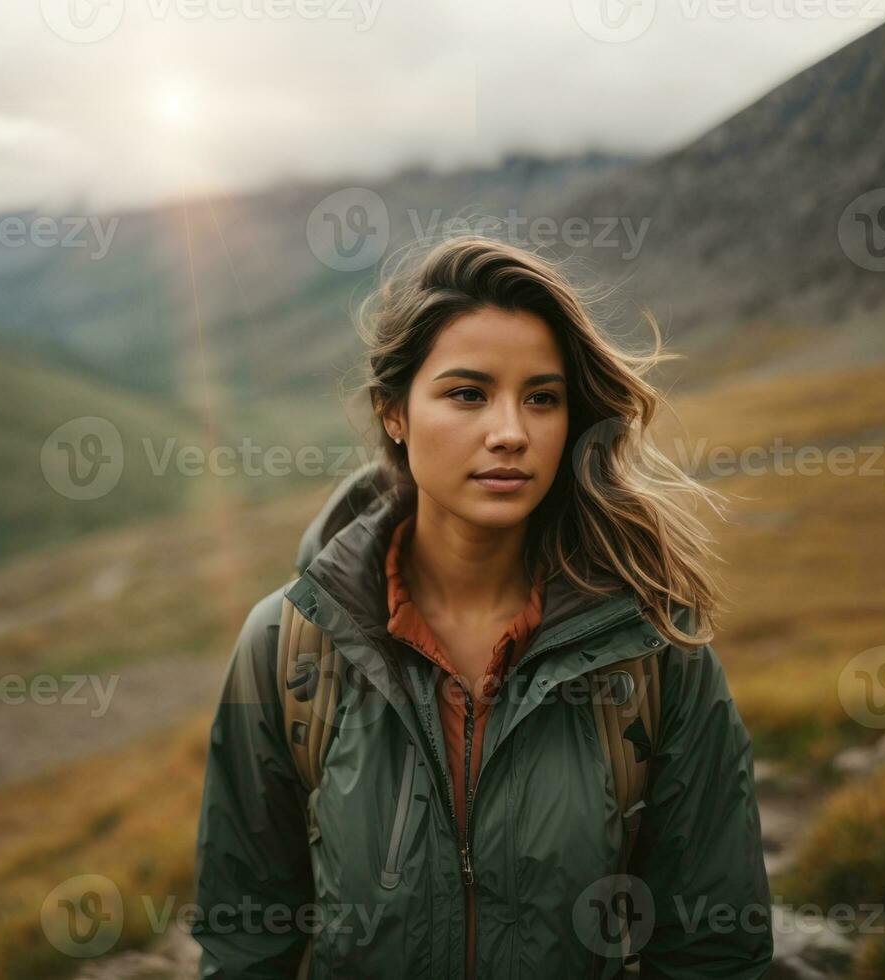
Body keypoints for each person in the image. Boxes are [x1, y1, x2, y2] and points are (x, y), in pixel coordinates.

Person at [191, 235, 773, 978]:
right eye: (467, 394)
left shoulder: (656, 648)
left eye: (542, 398)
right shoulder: (285, 647)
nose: (511, 433)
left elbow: (713, 951)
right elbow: (245, 945)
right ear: (393, 413)